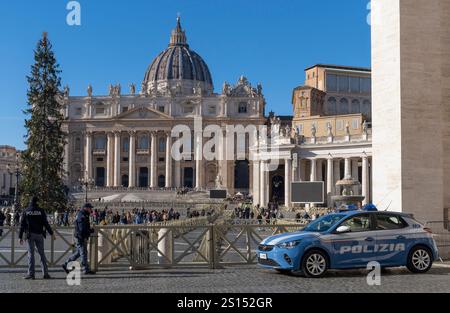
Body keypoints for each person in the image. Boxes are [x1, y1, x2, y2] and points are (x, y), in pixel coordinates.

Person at [18, 196, 54, 280]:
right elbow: (46, 223)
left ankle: (31, 274)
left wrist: (20, 236)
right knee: (42, 254)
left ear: (30, 202)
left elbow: (22, 225)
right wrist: (51, 233)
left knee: (31, 254)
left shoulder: (26, 211)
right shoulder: (41, 211)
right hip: (40, 234)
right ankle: (45, 273)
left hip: (30, 235)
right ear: (37, 202)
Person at [62, 203, 95, 275]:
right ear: (86, 208)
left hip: (80, 236)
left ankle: (66, 264)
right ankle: (85, 269)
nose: (91, 209)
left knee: (78, 253)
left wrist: (89, 230)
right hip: (80, 237)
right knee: (83, 253)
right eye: (90, 208)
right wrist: (90, 230)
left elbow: (84, 227)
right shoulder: (82, 215)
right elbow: (82, 228)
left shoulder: (84, 214)